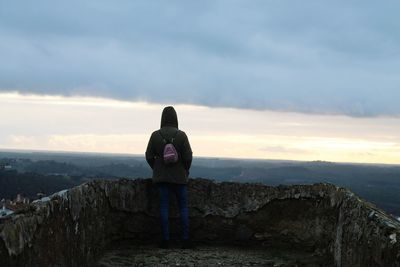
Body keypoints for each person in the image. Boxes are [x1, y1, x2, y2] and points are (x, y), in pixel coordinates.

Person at [145, 106, 193, 249]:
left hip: (162, 178)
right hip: (179, 178)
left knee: (164, 208)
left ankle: (166, 240)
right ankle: (185, 240)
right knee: (183, 208)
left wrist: (156, 168)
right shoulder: (182, 135)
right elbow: (188, 156)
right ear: (176, 118)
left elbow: (148, 155)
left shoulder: (155, 135)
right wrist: (185, 170)